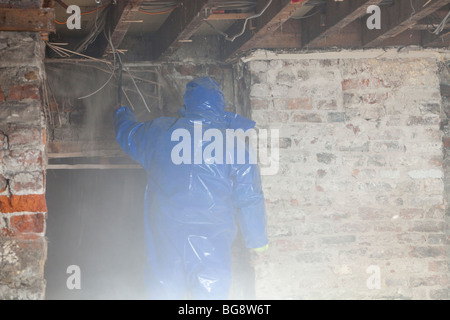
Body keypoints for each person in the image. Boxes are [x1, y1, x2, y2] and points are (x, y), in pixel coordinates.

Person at [113, 77, 268, 299]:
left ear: (188, 102)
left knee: (164, 288)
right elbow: (250, 197)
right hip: (212, 242)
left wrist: (122, 112)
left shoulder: (158, 132)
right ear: (219, 104)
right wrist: (257, 244)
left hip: (166, 232)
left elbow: (127, 134)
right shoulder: (235, 145)